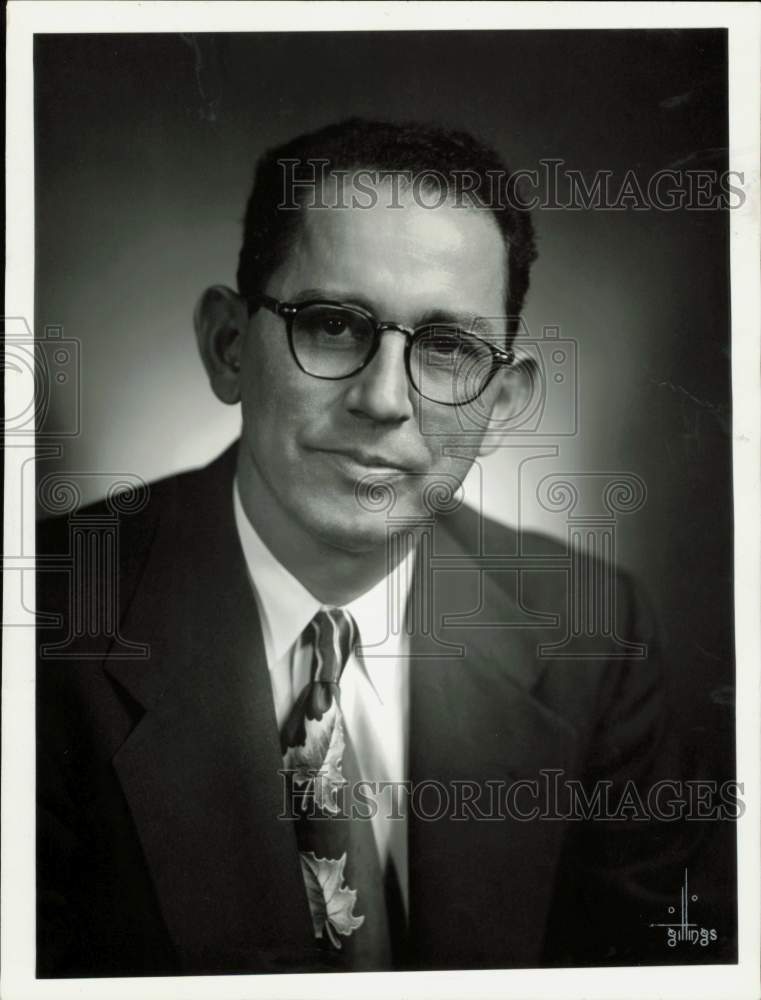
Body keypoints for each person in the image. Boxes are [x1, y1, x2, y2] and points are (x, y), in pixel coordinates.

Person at [36, 118, 688, 977]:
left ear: (501, 402)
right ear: (229, 347)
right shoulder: (42, 629)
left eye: (448, 348)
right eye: (334, 324)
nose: (384, 401)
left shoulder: (592, 637)